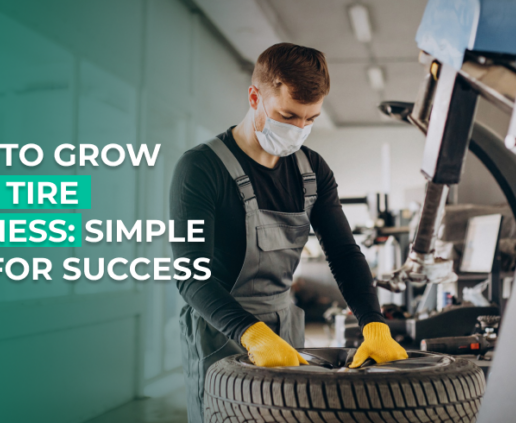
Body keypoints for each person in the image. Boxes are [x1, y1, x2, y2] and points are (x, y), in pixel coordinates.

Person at [170, 43, 408, 423]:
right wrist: (251, 333)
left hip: (286, 325)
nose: (299, 130)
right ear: (254, 98)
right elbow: (190, 277)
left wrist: (373, 322)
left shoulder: (312, 171)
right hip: (223, 332)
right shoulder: (201, 167)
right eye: (288, 115)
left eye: (310, 119)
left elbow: (344, 254)